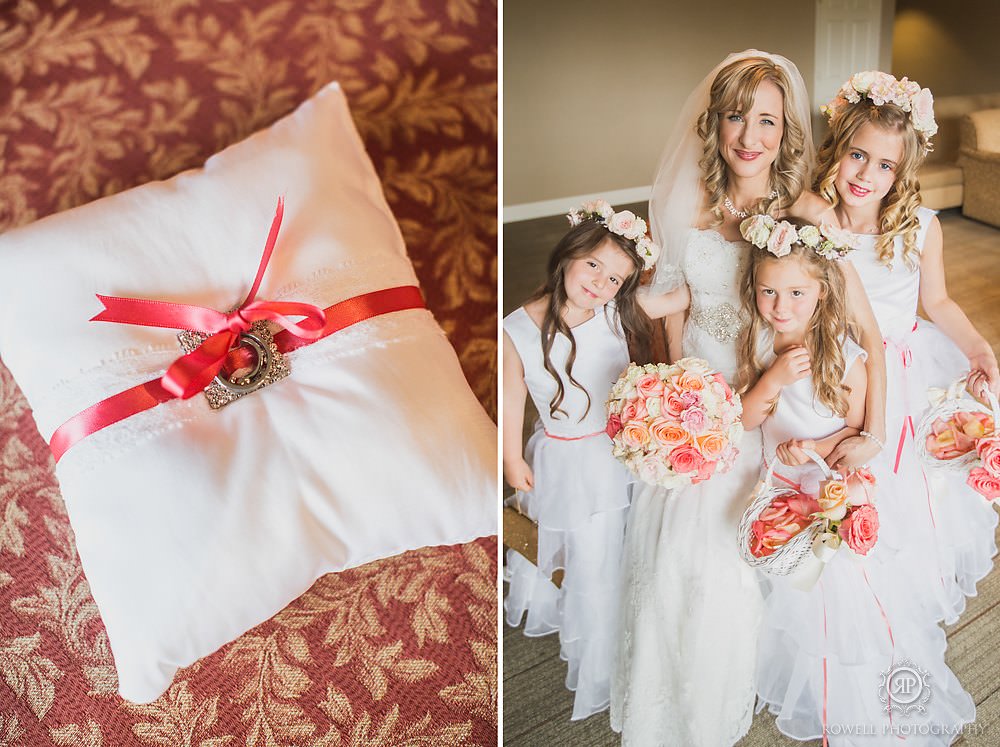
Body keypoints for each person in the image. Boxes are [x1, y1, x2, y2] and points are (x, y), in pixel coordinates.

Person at [610, 50, 886, 747]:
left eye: (767, 119)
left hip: (773, 402)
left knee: (734, 554)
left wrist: (874, 427)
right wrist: (676, 398)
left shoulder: (806, 209)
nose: (750, 135)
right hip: (703, 401)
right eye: (737, 116)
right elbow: (673, 312)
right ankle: (675, 702)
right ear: (716, 122)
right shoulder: (687, 204)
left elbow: (866, 334)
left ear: (785, 128)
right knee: (674, 549)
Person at [737, 217, 975, 744]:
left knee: (845, 604)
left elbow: (854, 427)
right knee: (793, 601)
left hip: (831, 493)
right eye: (768, 292)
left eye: (797, 292)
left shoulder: (844, 355)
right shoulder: (758, 347)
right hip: (783, 493)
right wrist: (773, 379)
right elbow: (747, 418)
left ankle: (865, 704)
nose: (781, 306)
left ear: (822, 293)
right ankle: (817, 691)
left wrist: (810, 449)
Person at [814, 71, 999, 623]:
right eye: (856, 155)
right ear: (836, 151)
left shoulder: (920, 227)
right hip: (836, 367)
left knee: (907, 486)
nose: (867, 174)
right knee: (836, 477)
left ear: (902, 172)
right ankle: (839, 577)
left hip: (903, 363)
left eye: (886, 164)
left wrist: (978, 348)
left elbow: (938, 303)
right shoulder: (812, 221)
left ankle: (894, 580)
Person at [502, 199, 688, 720]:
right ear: (567, 255)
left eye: (614, 279)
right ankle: (599, 653)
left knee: (631, 543)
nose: (600, 283)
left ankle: (636, 629)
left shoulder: (613, 313)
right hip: (570, 462)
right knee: (591, 555)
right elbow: (511, 396)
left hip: (621, 449)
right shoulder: (516, 329)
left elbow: (679, 297)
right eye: (593, 266)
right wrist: (511, 459)